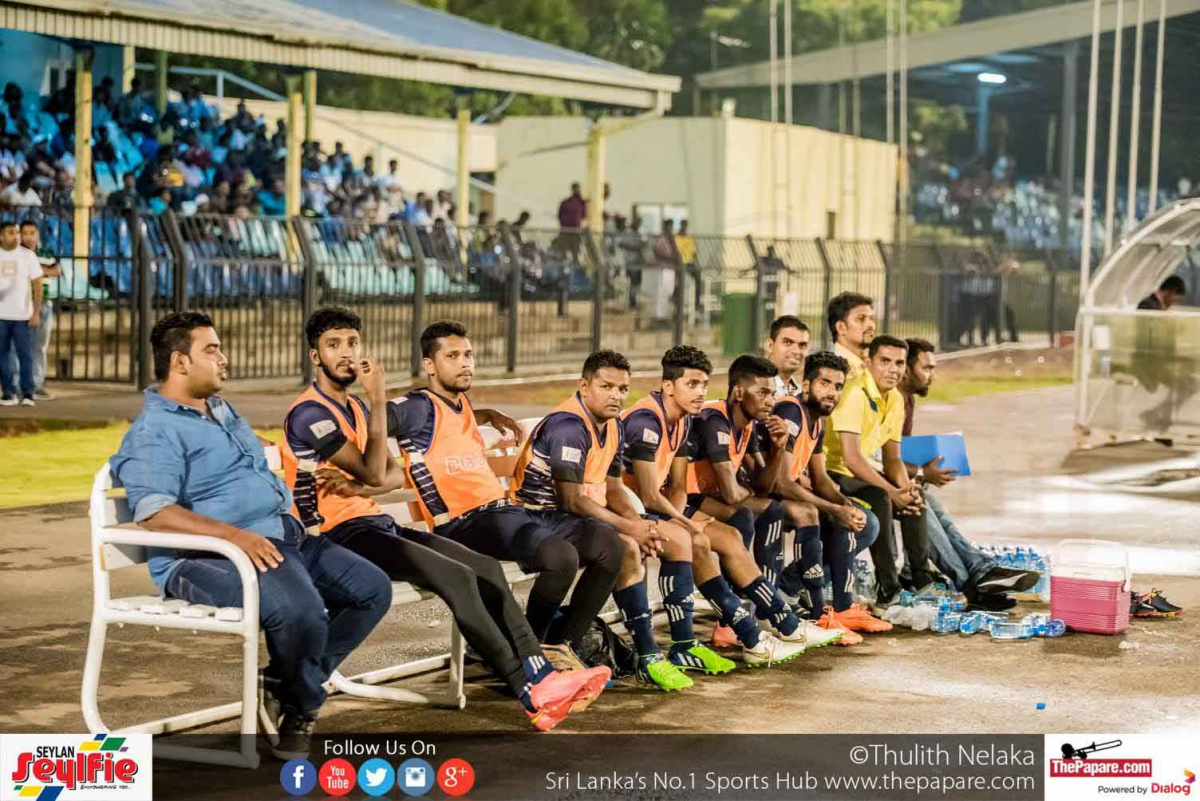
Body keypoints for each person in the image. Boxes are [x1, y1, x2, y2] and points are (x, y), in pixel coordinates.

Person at [281, 309, 605, 731]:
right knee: (456, 577)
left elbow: (391, 474)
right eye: (333, 345)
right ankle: (529, 692)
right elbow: (376, 472)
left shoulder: (356, 409)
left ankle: (540, 672)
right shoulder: (311, 414)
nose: (346, 353)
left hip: (373, 523)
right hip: (334, 536)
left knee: (485, 569)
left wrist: (362, 477)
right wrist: (377, 405)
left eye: (352, 343)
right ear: (315, 356)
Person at [109, 311, 393, 759]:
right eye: (212, 350)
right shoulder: (154, 431)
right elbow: (155, 513)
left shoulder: (219, 410)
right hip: (207, 558)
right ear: (180, 362)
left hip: (281, 537)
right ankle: (301, 708)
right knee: (301, 611)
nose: (223, 358)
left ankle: (283, 681)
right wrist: (235, 537)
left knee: (372, 590)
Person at [388, 322, 623, 682]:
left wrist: (487, 415)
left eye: (468, 355)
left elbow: (454, 419)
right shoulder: (417, 406)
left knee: (608, 544)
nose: (465, 362)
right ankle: (528, 654)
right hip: (463, 524)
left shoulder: (459, 403)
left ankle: (560, 647)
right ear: (429, 365)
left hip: (502, 512)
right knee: (560, 556)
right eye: (453, 356)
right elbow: (373, 421)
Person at [510, 350, 733, 689]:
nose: (616, 395)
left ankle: (676, 646)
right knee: (622, 546)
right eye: (607, 386)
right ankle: (627, 651)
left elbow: (613, 489)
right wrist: (631, 527)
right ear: (585, 386)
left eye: (622, 389)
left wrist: (641, 524)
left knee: (662, 540)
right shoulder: (569, 426)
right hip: (538, 517)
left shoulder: (613, 425)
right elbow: (571, 500)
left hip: (575, 519)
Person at [625, 346, 827, 664]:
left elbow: (676, 488)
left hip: (657, 507)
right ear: (668, 386)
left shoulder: (683, 420)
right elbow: (650, 495)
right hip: (626, 512)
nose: (700, 393)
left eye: (704, 385)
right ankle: (706, 641)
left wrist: (681, 520)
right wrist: (685, 523)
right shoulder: (646, 420)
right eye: (692, 384)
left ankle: (781, 626)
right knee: (695, 540)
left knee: (728, 537)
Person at [684, 353, 842, 655]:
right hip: (677, 501)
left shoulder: (747, 424)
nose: (771, 401)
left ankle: (773, 618)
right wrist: (746, 489)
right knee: (743, 516)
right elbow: (732, 494)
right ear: (738, 392)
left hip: (694, 499)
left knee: (767, 510)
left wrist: (779, 448)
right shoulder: (715, 420)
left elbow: (762, 486)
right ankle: (747, 620)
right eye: (763, 393)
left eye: (773, 393)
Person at [898, 338, 1041, 610]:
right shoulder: (893, 400)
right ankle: (971, 582)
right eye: (926, 368)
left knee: (936, 512)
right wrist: (922, 473)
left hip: (895, 478)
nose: (932, 375)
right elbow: (880, 456)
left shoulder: (906, 401)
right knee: (920, 502)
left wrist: (921, 470)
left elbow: (897, 452)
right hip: (874, 483)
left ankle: (980, 571)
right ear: (907, 370)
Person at [763, 351, 889, 641]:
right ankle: (823, 611)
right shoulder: (791, 411)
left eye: (838, 386)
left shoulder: (817, 420)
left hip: (787, 494)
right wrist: (836, 510)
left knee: (864, 521)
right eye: (825, 383)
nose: (832, 392)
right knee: (836, 519)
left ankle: (829, 604)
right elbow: (781, 483)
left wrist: (845, 505)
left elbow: (820, 478)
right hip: (763, 493)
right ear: (807, 385)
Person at [823, 335, 935, 610]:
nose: (893, 369)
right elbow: (851, 459)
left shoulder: (895, 399)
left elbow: (893, 458)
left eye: (899, 363)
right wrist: (893, 492)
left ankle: (922, 582)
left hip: (858, 472)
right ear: (869, 362)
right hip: (830, 472)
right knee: (881, 497)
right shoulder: (854, 394)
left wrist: (906, 488)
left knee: (916, 498)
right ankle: (888, 590)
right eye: (885, 361)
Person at [1133, 275, 1197, 430]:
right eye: (1175, 299)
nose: (1173, 303)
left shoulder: (1157, 308)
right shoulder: (1148, 306)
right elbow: (1151, 337)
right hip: (1148, 362)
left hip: (1157, 360)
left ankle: (1159, 415)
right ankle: (1159, 416)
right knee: (1188, 384)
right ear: (1171, 291)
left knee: (1189, 382)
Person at [5, 221, 59, 400]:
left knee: (39, 346)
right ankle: (16, 384)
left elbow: (57, 271)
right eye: (25, 233)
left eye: (32, 232)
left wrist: (37, 270)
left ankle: (37, 384)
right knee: (16, 347)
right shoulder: (16, 254)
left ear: (38, 234)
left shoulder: (45, 253)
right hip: (21, 306)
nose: (29, 236)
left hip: (44, 304)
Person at [0, 220, 43, 406]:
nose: (16, 236)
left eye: (17, 233)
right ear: (1, 236)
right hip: (1, 316)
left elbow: (37, 284)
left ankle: (27, 393)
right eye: (11, 233)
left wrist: (36, 312)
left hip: (22, 316)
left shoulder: (28, 256)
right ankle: (8, 392)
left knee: (25, 356)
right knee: (2, 355)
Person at [827, 292, 875, 379]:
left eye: (872, 318)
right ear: (841, 328)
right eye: (861, 318)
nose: (870, 325)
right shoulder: (832, 371)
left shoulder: (871, 366)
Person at [763, 315, 810, 397]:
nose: (796, 351)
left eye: (802, 345)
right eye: (787, 342)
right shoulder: (756, 387)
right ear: (770, 346)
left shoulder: (800, 393)